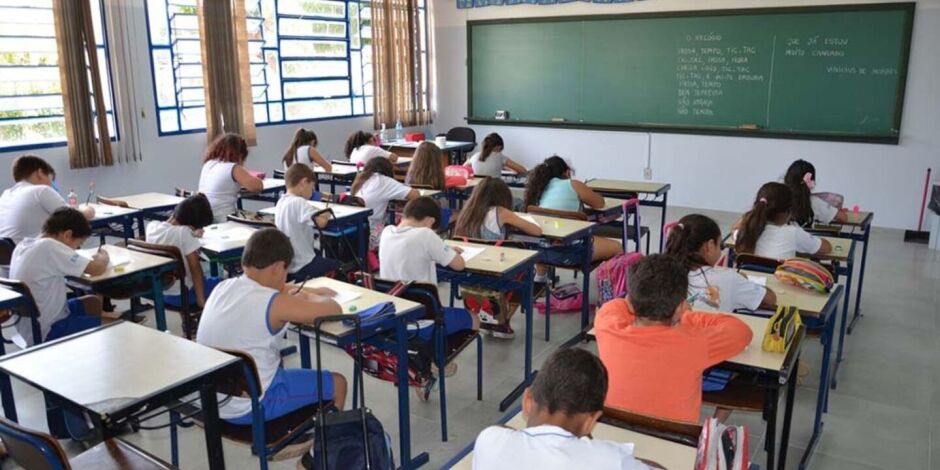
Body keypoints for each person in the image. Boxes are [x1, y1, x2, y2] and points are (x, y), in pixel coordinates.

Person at [196, 228, 347, 429]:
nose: (285, 277)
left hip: (209, 398)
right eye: (286, 271)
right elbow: (333, 309)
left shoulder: (223, 287)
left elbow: (274, 290)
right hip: (251, 405)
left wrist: (304, 289)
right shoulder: (274, 303)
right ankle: (318, 455)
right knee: (339, 383)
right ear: (277, 268)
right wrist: (311, 296)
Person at [594, 254, 752, 423]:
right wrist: (686, 316)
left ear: (632, 302)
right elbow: (741, 330)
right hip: (678, 444)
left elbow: (618, 305)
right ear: (680, 307)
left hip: (617, 436)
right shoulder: (695, 342)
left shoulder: (607, 325)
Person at [472, 348, 651, 470]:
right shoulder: (611, 460)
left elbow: (502, 430)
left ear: (527, 401)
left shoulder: (489, 440)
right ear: (591, 421)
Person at [379, 196, 476, 398]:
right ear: (430, 221)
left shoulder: (387, 232)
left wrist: (441, 249)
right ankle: (435, 362)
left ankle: (423, 362)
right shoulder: (425, 235)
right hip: (424, 323)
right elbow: (459, 264)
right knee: (474, 320)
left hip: (395, 320)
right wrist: (444, 249)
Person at [9, 208, 109, 346]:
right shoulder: (49, 246)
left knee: (91, 302)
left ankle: (85, 349)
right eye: (77, 246)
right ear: (67, 235)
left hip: (31, 326)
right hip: (49, 330)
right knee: (116, 327)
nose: (74, 250)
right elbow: (96, 269)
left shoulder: (23, 245)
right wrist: (103, 255)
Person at [524, 155, 623, 274]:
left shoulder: (538, 189)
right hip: (571, 253)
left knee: (548, 232)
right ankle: (613, 289)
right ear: (567, 172)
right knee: (617, 247)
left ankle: (540, 281)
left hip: (538, 253)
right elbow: (600, 203)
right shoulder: (573, 184)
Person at [665, 214, 775, 312]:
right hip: (711, 333)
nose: (721, 250)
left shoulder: (662, 274)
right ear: (710, 246)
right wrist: (744, 281)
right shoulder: (729, 278)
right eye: (720, 245)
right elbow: (770, 299)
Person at [145, 193, 219, 312]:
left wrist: (191, 234)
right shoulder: (184, 233)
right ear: (190, 225)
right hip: (183, 295)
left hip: (160, 292)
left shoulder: (152, 227)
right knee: (225, 284)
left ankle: (187, 324)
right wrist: (201, 301)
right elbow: (195, 268)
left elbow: (173, 234)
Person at [0, 155, 95, 243]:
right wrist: (88, 210)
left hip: (10, 256)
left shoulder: (6, 194)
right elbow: (75, 218)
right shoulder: (40, 190)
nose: (52, 185)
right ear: (40, 173)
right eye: (51, 179)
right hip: (31, 253)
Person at [274, 164, 340, 282]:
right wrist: (326, 213)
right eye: (312, 187)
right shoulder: (299, 202)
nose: (312, 192)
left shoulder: (281, 201)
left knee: (319, 253)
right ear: (304, 182)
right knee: (338, 266)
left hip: (289, 264)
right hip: (303, 264)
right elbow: (321, 222)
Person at [734, 182, 831, 260]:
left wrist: (748, 218)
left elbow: (734, 230)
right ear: (787, 213)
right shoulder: (793, 233)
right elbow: (826, 248)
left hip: (750, 282)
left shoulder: (745, 232)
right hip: (778, 283)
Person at [350, 157, 418, 248]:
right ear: (388, 171)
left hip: (356, 231)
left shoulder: (361, 179)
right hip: (372, 234)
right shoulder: (383, 181)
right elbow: (415, 195)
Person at [197, 133, 263, 223]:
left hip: (206, 219)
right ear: (240, 154)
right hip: (224, 219)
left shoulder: (208, 164)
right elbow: (258, 186)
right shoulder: (233, 168)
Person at [454, 177, 541, 240]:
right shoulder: (501, 212)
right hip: (493, 258)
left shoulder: (468, 211)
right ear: (503, 197)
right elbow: (537, 231)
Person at [784, 159, 846, 226]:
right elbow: (843, 218)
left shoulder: (778, 198)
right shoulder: (814, 201)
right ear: (811, 181)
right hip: (805, 236)